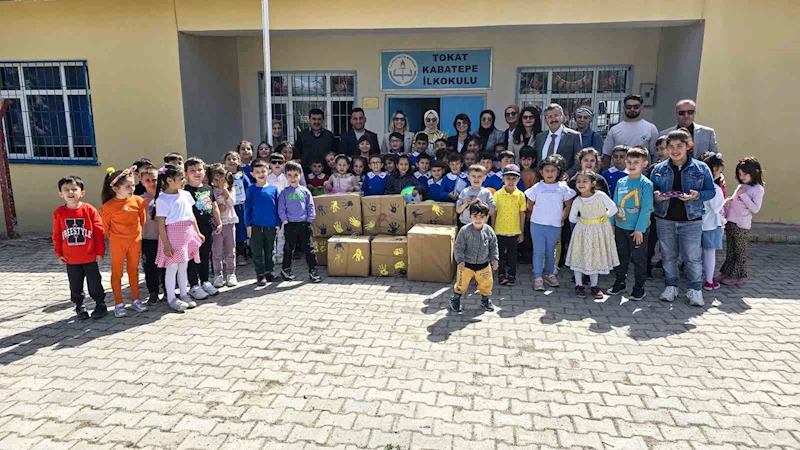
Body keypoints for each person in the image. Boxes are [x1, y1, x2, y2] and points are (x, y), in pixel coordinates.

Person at [651, 129, 716, 307]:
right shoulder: (659, 169)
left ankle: (695, 290)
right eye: (671, 146)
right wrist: (656, 196)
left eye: (679, 146)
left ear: (688, 146)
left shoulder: (701, 168)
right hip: (665, 218)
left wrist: (697, 195)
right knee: (668, 255)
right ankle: (671, 286)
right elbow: (651, 190)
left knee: (692, 257)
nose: (675, 150)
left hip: (691, 219)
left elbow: (711, 191)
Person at [53, 175, 107, 320]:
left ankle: (100, 304)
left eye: (74, 189)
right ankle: (79, 305)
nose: (70, 192)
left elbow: (99, 232)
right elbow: (57, 234)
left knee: (94, 283)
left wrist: (100, 251)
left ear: (82, 192)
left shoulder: (89, 210)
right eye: (66, 190)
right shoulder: (59, 213)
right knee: (75, 284)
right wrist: (59, 253)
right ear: (60, 194)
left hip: (89, 256)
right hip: (71, 259)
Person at [153, 164, 204, 312]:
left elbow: (191, 215)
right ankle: (171, 298)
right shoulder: (162, 199)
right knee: (172, 267)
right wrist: (166, 244)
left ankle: (184, 294)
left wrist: (197, 232)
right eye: (180, 178)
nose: (184, 180)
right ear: (169, 180)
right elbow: (161, 225)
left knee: (184, 265)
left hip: (187, 234)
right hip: (173, 236)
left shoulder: (186, 194)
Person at [99, 166, 148, 318]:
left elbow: (143, 220)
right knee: (117, 272)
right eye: (128, 186)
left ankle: (136, 299)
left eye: (133, 185)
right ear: (115, 189)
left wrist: (135, 235)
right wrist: (117, 237)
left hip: (135, 241)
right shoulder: (108, 207)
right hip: (117, 243)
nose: (132, 188)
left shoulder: (138, 201)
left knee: (133, 270)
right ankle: (119, 303)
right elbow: (106, 228)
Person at [607, 146, 654, 301]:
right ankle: (620, 282)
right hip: (621, 227)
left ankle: (639, 288)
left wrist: (640, 229)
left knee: (639, 259)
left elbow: (646, 208)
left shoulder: (645, 184)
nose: (632, 165)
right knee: (621, 257)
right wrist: (612, 223)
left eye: (636, 162)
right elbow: (615, 204)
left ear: (644, 164)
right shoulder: (621, 182)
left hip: (637, 230)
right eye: (629, 162)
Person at [525, 155, 576, 291]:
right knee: (538, 251)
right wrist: (537, 214)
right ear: (541, 172)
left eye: (553, 171)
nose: (550, 173)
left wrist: (562, 217)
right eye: (547, 170)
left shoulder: (562, 187)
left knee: (550, 251)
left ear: (558, 172)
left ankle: (549, 274)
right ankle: (538, 277)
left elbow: (568, 204)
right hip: (537, 225)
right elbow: (529, 204)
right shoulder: (537, 187)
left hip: (554, 226)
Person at [566, 170, 619, 299]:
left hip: (598, 231)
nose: (581, 184)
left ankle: (594, 285)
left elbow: (613, 208)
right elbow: (572, 217)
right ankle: (579, 285)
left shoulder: (600, 195)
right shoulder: (578, 200)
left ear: (593, 183)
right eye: (579, 181)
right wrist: (584, 222)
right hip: (582, 232)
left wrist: (604, 217)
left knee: (595, 256)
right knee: (579, 256)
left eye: (585, 181)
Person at [718, 157, 765, 286]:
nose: (742, 177)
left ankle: (737, 277)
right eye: (740, 174)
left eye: (745, 174)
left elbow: (755, 209)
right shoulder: (741, 186)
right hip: (730, 222)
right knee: (730, 251)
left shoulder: (758, 189)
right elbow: (734, 202)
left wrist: (743, 195)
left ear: (754, 173)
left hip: (741, 225)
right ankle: (726, 273)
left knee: (740, 252)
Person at [183, 157, 222, 301]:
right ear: (186, 174)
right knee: (193, 258)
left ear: (204, 172)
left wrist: (219, 222)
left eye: (199, 170)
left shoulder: (208, 188)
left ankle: (205, 281)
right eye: (192, 170)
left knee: (205, 256)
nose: (196, 173)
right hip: (192, 231)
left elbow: (214, 207)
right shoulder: (185, 191)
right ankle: (194, 285)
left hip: (207, 228)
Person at [450, 200, 499, 313]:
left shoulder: (488, 230)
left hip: (483, 265)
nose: (478, 219)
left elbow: (493, 245)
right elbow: (458, 247)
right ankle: (455, 298)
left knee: (486, 284)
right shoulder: (465, 231)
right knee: (461, 284)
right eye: (475, 216)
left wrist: (494, 259)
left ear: (487, 217)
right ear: (470, 216)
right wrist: (460, 260)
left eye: (482, 216)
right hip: (465, 265)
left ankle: (485, 299)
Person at [279, 161, 322, 283]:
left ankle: (313, 271)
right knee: (289, 248)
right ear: (286, 176)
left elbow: (310, 206)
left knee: (309, 249)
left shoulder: (305, 191)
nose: (293, 178)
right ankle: (286, 269)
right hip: (290, 224)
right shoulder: (284, 193)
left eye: (295, 175)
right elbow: (281, 208)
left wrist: (309, 220)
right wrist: (285, 220)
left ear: (301, 175)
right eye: (290, 175)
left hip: (304, 224)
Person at [245, 160, 281, 285]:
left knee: (270, 250)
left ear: (268, 172)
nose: (261, 174)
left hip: (271, 226)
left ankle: (269, 272)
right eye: (257, 172)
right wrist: (248, 225)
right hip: (255, 226)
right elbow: (247, 208)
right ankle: (260, 275)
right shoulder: (251, 189)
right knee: (257, 251)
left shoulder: (274, 189)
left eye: (263, 171)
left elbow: (278, 208)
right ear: (252, 174)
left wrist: (278, 223)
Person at [602, 94, 659, 167]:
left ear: (642, 107)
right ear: (624, 108)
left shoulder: (651, 128)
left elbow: (655, 155)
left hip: (642, 172)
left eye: (636, 107)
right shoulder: (614, 130)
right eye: (628, 107)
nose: (632, 109)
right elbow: (607, 155)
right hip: (618, 172)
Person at [492, 164, 526, 286]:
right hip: (499, 230)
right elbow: (494, 213)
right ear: (503, 178)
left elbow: (522, 214)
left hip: (514, 230)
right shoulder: (497, 194)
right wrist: (492, 229)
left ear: (518, 179)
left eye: (514, 178)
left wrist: (521, 231)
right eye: (508, 178)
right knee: (500, 254)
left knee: (512, 255)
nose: (511, 181)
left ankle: (512, 275)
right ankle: (501, 274)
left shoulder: (520, 195)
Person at [698, 152, 726, 290]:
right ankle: (709, 281)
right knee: (709, 253)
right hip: (711, 225)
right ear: (714, 170)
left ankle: (695, 280)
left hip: (695, 224)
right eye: (719, 171)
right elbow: (716, 207)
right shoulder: (715, 189)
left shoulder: (696, 186)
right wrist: (725, 201)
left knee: (695, 255)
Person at [208, 163, 238, 289]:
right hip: (216, 224)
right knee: (216, 251)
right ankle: (218, 274)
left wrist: (224, 189)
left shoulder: (230, 188)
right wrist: (218, 209)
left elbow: (232, 202)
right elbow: (208, 207)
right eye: (216, 179)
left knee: (230, 249)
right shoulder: (210, 190)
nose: (218, 182)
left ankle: (231, 273)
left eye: (221, 179)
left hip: (229, 222)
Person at [139, 166, 165, 304]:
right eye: (147, 180)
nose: (152, 183)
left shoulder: (165, 196)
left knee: (166, 266)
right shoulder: (139, 200)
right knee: (150, 267)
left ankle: (167, 290)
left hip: (164, 238)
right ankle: (153, 292)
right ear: (142, 182)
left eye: (154, 180)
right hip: (148, 238)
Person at [533, 103, 582, 174]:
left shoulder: (574, 136)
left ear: (562, 116)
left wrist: (568, 174)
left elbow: (578, 162)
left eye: (556, 115)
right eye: (550, 117)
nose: (553, 119)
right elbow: (537, 161)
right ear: (546, 120)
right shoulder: (540, 137)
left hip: (563, 178)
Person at [646, 135, 670, 277]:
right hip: (655, 210)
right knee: (651, 240)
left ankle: (667, 267)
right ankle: (647, 266)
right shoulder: (654, 168)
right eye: (658, 149)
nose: (660, 152)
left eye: (663, 148)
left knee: (668, 243)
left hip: (670, 210)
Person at [224, 150, 252, 264]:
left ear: (239, 161)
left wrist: (247, 202)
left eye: (234, 159)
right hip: (227, 208)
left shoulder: (243, 177)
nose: (231, 161)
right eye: (229, 159)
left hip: (240, 207)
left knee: (240, 230)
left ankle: (241, 254)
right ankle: (229, 255)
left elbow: (249, 190)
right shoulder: (223, 177)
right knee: (229, 231)